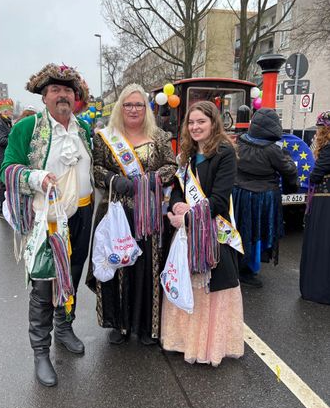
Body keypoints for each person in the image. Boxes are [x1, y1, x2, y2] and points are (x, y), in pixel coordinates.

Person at [1, 63, 93, 387]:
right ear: (44, 96)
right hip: (48, 220)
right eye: (55, 90)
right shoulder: (26, 129)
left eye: (67, 90)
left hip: (82, 216)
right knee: (43, 286)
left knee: (72, 276)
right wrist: (37, 178)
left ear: (75, 96)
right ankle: (41, 350)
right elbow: (8, 169)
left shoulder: (83, 129)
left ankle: (65, 328)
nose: (62, 95)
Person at [87, 83, 177, 345]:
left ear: (146, 108)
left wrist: (150, 179)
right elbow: (96, 170)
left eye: (139, 104)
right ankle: (119, 324)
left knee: (146, 267)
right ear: (120, 108)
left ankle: (146, 326)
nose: (134, 109)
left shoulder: (158, 136)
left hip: (148, 213)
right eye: (128, 104)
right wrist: (115, 179)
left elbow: (172, 166)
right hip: (115, 211)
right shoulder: (105, 137)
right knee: (117, 266)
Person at [161, 101, 244, 366]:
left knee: (209, 290)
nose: (195, 127)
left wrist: (187, 214)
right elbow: (176, 187)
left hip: (213, 234)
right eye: (191, 122)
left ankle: (207, 346)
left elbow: (220, 199)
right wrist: (175, 204)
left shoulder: (224, 153)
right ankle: (184, 340)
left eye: (201, 122)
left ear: (213, 123)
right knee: (189, 285)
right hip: (187, 230)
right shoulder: (185, 154)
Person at [232, 108, 298, 287]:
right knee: (256, 234)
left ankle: (236, 265)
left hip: (237, 194)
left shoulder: (239, 142)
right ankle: (247, 270)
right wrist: (292, 189)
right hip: (263, 199)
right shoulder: (273, 150)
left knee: (238, 231)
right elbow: (290, 171)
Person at [300, 111, 330, 304]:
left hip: (324, 202)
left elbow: (316, 175)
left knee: (321, 245)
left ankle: (319, 289)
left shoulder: (328, 149)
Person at [0, 99, 14, 219]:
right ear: (4, 111)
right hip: (2, 159)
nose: (11, 112)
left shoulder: (6, 121)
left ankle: (6, 208)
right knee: (4, 185)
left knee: (7, 185)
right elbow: (1, 140)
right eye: (10, 110)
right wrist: (15, 139)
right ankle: (2, 211)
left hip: (5, 157)